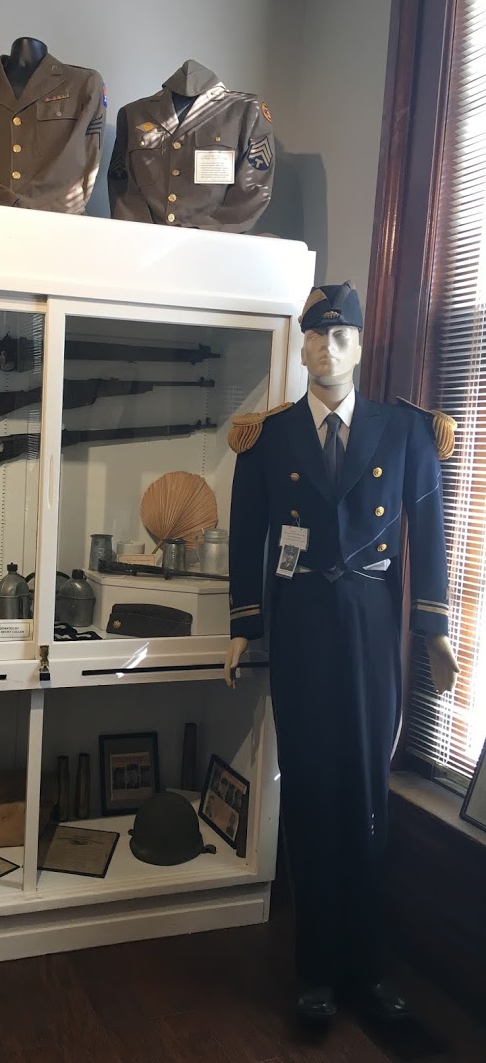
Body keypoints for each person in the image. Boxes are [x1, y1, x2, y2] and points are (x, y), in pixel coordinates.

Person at [224, 281, 459, 1023]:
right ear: (300, 347)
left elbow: (431, 533)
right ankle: (316, 972)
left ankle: (367, 967)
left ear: (361, 346)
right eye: (316, 336)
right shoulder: (267, 437)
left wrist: (435, 630)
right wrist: (244, 623)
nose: (328, 349)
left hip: (371, 630)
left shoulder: (407, 431)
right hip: (301, 630)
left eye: (342, 336)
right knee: (310, 792)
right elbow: (247, 533)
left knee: (366, 797)